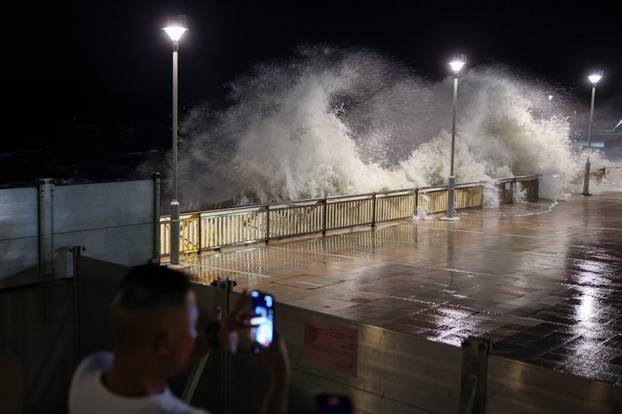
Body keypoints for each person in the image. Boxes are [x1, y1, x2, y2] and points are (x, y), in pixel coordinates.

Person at [68, 264, 289, 414]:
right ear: (164, 343)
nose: (196, 335)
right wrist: (280, 375)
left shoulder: (87, 374)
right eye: (192, 328)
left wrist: (213, 337)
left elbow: (153, 361)